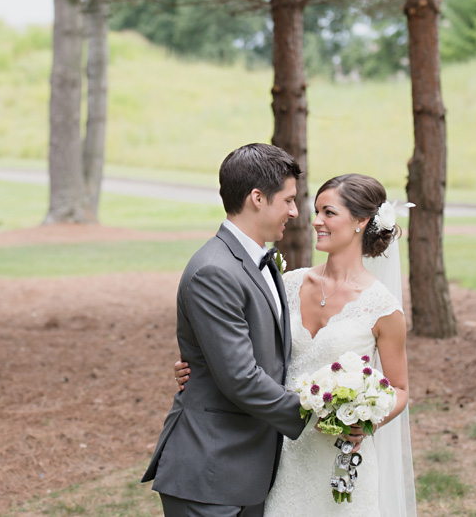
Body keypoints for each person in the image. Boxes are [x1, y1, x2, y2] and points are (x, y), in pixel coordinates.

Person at [175, 173, 417, 516]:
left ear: (361, 221)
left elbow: (400, 388)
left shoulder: (383, 308)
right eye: (315, 211)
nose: (315, 221)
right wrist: (199, 368)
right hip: (278, 450)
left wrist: (363, 420)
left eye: (329, 213)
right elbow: (240, 351)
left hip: (338, 455)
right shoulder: (286, 283)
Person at [142, 143, 310, 517]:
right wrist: (315, 416)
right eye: (288, 200)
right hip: (211, 471)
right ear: (256, 198)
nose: (295, 211)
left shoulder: (258, 261)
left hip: (247, 466)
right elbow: (240, 377)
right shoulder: (214, 271)